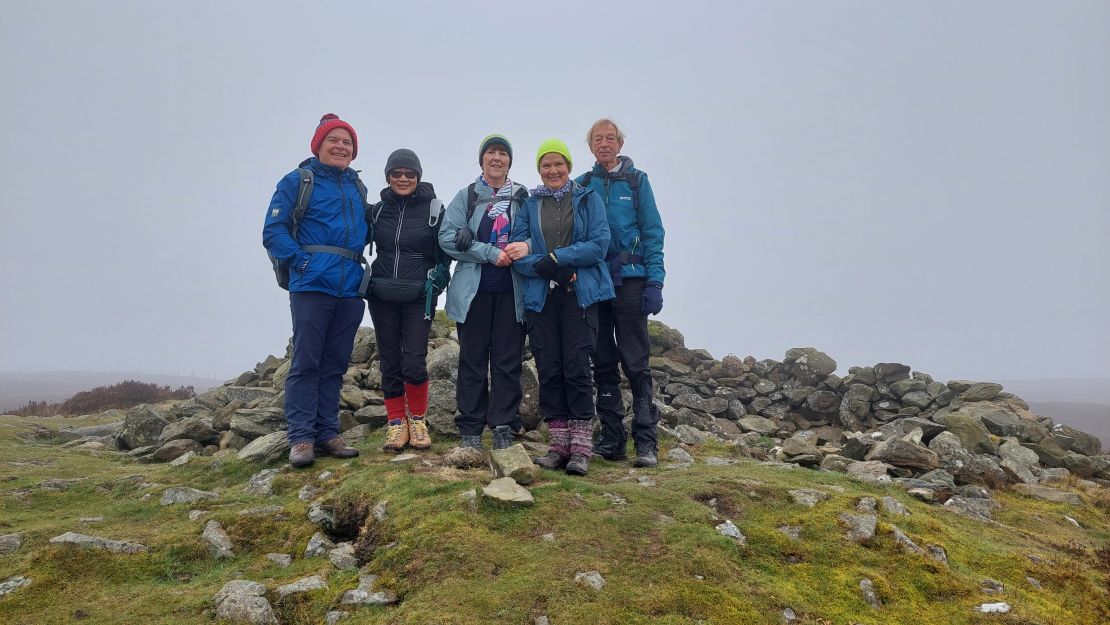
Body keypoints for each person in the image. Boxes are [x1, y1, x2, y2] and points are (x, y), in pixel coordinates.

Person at [263, 113, 367, 468]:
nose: (340, 147)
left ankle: (327, 433)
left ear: (353, 152)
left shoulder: (356, 187)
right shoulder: (297, 181)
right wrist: (300, 262)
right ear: (318, 146)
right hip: (311, 285)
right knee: (307, 360)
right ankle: (302, 438)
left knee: (335, 363)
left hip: (350, 289)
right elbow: (273, 231)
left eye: (347, 143)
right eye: (333, 141)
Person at [510, 139, 613, 475]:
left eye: (558, 164)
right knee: (550, 366)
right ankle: (557, 446)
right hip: (542, 297)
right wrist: (546, 265)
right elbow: (518, 253)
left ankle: (581, 448)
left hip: (579, 294)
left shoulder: (586, 197)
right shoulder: (529, 205)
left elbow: (599, 244)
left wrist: (557, 258)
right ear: (539, 170)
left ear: (568, 166)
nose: (552, 170)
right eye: (546, 165)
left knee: (576, 366)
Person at [577, 118, 666, 468]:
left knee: (636, 362)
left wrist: (655, 282)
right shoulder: (583, 184)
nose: (604, 144)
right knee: (602, 361)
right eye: (597, 139)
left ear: (620, 143)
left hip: (631, 281)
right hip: (596, 283)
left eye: (610, 138)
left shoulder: (637, 181)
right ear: (590, 146)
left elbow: (654, 231)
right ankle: (612, 439)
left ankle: (646, 442)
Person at [438, 135, 531, 450]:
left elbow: (535, 236)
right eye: (491, 152)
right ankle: (471, 429)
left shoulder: (522, 198)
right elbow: (446, 238)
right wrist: (487, 252)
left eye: (503, 153)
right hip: (473, 294)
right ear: (482, 160)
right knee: (472, 360)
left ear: (509, 162)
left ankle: (503, 425)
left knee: (507, 361)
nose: (497, 157)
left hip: (512, 292)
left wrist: (525, 247)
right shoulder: (465, 197)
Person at [368, 149, 448, 453]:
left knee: (413, 362)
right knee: (389, 361)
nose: (403, 179)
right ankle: (396, 425)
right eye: (396, 173)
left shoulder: (434, 209)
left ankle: (417, 420)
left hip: (419, 297)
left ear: (418, 177)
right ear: (388, 176)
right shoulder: (377, 210)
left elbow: (447, 250)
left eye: (409, 174)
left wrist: (440, 280)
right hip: (381, 295)